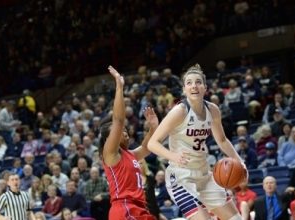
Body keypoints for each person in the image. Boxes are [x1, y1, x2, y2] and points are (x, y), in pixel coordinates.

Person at [147, 64, 246, 220]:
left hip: (205, 174)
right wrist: (173, 156)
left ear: (205, 87)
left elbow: (222, 139)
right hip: (181, 177)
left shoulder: (213, 110)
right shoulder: (179, 111)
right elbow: (152, 143)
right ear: (184, 89)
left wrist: (240, 162)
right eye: (189, 83)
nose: (194, 86)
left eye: (198, 82)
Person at [99, 66, 159, 219]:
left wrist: (153, 127)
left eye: (126, 130)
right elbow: (118, 120)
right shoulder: (110, 153)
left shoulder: (129, 154)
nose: (124, 133)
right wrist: (119, 87)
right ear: (109, 139)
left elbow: (146, 148)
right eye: (120, 132)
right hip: (124, 208)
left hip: (138, 208)